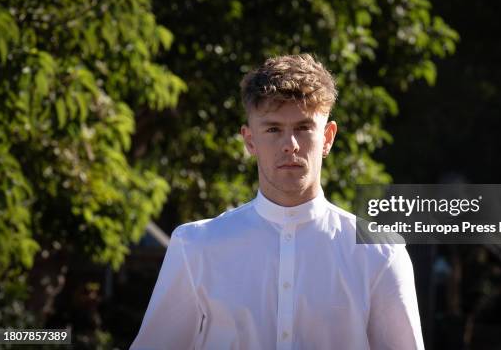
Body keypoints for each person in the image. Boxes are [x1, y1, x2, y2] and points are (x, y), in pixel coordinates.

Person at [131, 54, 424, 349]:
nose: (290, 144)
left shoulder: (380, 253)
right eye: (273, 129)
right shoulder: (196, 247)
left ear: (328, 137)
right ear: (249, 140)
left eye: (304, 128)